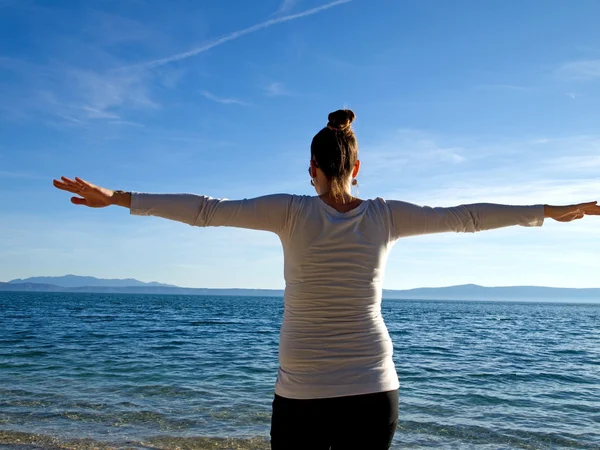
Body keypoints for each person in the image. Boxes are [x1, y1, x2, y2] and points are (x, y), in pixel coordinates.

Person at [53, 109, 599, 450]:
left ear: (312, 167)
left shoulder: (290, 211)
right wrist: (549, 210)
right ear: (356, 167)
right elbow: (466, 217)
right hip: (373, 388)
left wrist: (118, 197)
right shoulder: (385, 215)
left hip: (303, 392)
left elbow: (205, 209)